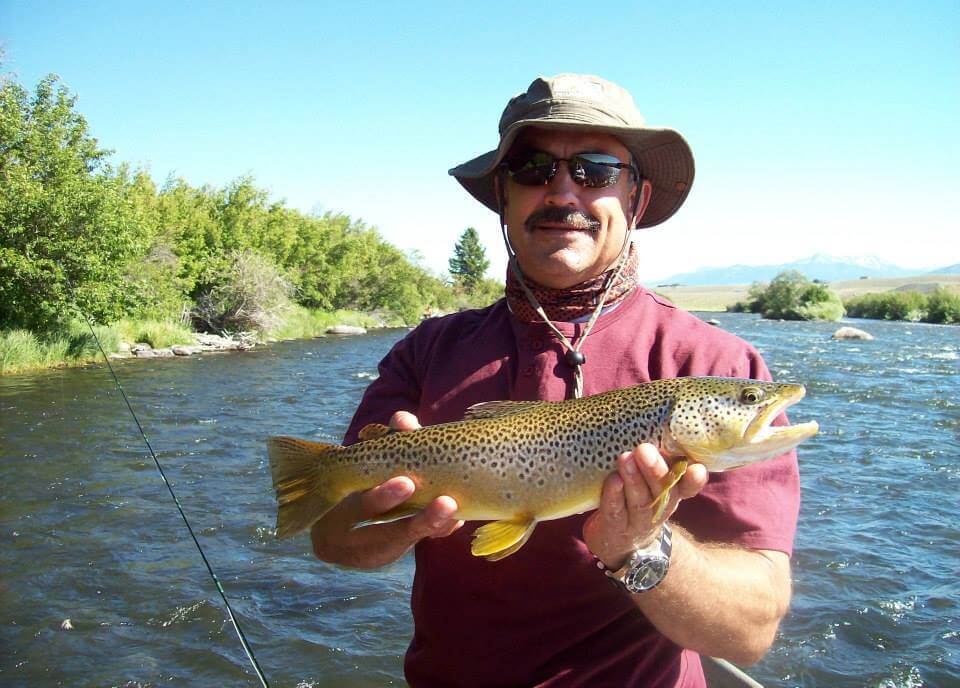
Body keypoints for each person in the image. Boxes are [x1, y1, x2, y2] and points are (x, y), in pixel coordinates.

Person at [309, 74, 800, 687]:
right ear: (504, 195)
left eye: (596, 169)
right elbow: (331, 538)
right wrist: (401, 520)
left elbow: (749, 634)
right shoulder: (425, 352)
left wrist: (642, 546)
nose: (562, 190)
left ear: (635, 199)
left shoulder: (712, 365)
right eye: (533, 168)